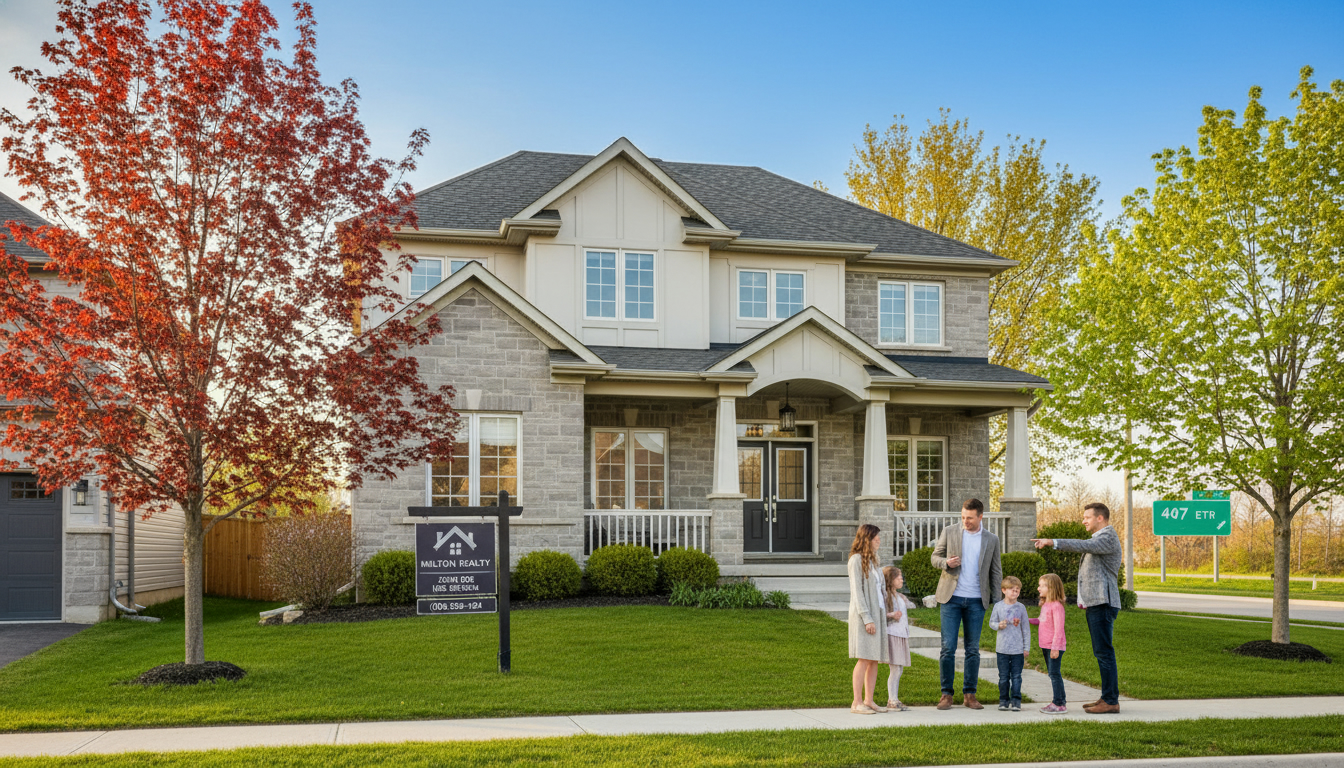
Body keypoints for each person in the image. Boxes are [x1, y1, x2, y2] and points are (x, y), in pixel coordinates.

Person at [1033, 502, 1123, 714]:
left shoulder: (1107, 537)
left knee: (1104, 652)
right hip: (1097, 603)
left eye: (1087, 517)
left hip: (1104, 602)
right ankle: (1107, 697)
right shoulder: (1099, 539)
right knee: (1101, 652)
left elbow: (1082, 546)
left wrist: (1053, 542)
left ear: (1100, 518)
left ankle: (1110, 700)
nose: (1083, 521)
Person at [931, 498, 1002, 710]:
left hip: (976, 601)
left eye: (970, 518)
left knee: (973, 649)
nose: (965, 521)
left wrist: (998, 603)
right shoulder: (950, 531)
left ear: (980, 516)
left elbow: (996, 572)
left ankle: (970, 695)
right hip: (950, 598)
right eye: (963, 517)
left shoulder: (992, 539)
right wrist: (946, 562)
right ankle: (946, 695)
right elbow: (935, 557)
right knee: (948, 648)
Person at [847, 523, 888, 714]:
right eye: (875, 537)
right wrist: (867, 618)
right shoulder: (856, 560)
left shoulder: (874, 560)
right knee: (864, 658)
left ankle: (869, 700)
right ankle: (856, 703)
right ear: (866, 539)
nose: (878, 540)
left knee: (873, 660)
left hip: (877, 614)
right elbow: (857, 593)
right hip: (864, 616)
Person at [989, 575, 1029, 712]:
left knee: (1017, 676)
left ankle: (1016, 701)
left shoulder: (1021, 608)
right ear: (1004, 590)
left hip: (1017, 650)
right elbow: (991, 623)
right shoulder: (998, 606)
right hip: (1002, 649)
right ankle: (1003, 700)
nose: (1015, 592)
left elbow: (1026, 629)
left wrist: (1026, 647)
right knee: (1004, 677)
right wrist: (998, 625)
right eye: (1012, 589)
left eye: (1017, 590)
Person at [881, 565, 916, 712]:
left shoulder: (899, 596)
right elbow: (880, 614)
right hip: (892, 634)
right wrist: (891, 615)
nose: (901, 579)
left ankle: (894, 698)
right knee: (895, 669)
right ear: (890, 580)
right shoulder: (885, 596)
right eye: (898, 577)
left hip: (901, 634)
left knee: (899, 669)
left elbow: (911, 606)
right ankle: (892, 700)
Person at [1032, 573, 1068, 713]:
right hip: (1045, 645)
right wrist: (1025, 620)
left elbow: (1059, 629)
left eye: (1042, 586)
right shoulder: (1046, 604)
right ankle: (1061, 701)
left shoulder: (1056, 606)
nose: (1038, 588)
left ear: (1051, 588)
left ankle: (1058, 704)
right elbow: (1040, 620)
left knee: (1054, 674)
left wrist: (1055, 648)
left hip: (1054, 646)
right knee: (1052, 673)